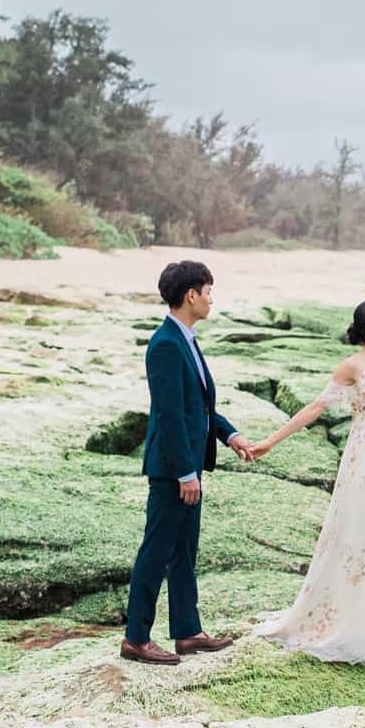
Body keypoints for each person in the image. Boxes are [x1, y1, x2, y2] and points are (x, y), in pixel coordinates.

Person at [249, 298, 365, 664]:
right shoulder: (352, 367)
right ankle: (346, 623)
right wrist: (270, 441)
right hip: (362, 463)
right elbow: (316, 407)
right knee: (357, 536)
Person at [119, 261, 257, 666]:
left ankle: (188, 632)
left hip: (188, 467)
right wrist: (185, 472)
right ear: (191, 295)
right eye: (209, 291)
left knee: (183, 552)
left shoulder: (187, 340)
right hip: (171, 471)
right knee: (155, 553)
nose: (212, 299)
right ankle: (136, 639)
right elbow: (169, 413)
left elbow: (200, 407)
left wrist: (231, 437)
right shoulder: (164, 344)